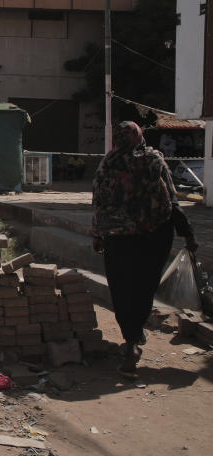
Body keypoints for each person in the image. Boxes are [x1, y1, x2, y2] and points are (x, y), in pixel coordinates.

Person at [92, 121, 197, 378]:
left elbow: (98, 199)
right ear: (140, 137)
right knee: (144, 286)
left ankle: (130, 340)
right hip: (154, 235)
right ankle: (134, 337)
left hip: (118, 236)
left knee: (122, 287)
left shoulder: (108, 163)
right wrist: (188, 233)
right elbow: (171, 200)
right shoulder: (153, 160)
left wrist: (97, 233)